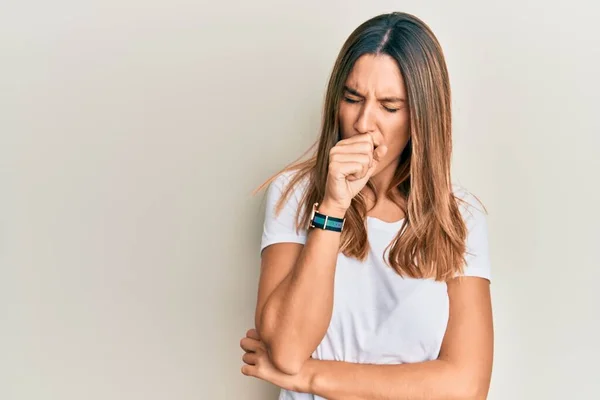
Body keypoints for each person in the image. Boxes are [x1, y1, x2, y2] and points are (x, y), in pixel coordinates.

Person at [240, 11, 493, 400]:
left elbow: (466, 386)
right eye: (352, 98)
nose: (362, 122)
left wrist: (310, 377)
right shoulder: (294, 193)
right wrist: (334, 205)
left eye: (389, 107)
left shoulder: (460, 216)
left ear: (420, 118)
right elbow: (287, 350)